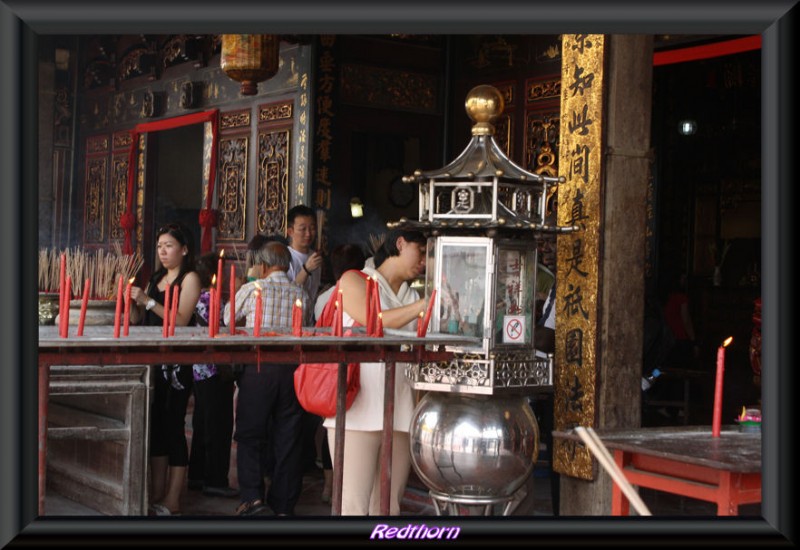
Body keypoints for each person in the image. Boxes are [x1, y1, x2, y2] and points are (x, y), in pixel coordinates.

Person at [323, 229, 428, 515]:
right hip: (357, 409)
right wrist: (422, 308)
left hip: (401, 409)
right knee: (353, 504)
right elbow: (374, 323)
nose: (425, 261)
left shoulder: (413, 294)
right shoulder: (354, 279)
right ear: (400, 243)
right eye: (421, 251)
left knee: (389, 506)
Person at [223, 240, 309, 516]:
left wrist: (243, 285)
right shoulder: (301, 292)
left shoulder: (253, 289)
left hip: (260, 368)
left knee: (250, 434)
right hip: (292, 370)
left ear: (262, 264)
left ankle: (253, 499)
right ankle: (284, 504)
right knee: (288, 437)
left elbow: (227, 319)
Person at [129, 222, 202, 516]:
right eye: (160, 246)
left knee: (174, 426)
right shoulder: (155, 277)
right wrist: (131, 301)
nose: (163, 251)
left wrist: (147, 301)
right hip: (152, 361)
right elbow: (137, 320)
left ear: (184, 250)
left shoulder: (190, 278)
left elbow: (181, 320)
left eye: (169, 245)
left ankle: (173, 498)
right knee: (156, 427)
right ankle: (157, 493)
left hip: (176, 364)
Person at [313, 243, 367, 505]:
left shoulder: (324, 297)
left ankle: (329, 485)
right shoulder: (367, 292)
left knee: (331, 428)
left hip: (329, 372)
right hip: (354, 375)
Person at [187, 251, 238, 499]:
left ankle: (196, 475)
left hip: (198, 369)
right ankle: (215, 478)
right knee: (218, 425)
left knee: (201, 422)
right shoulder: (211, 299)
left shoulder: (194, 298)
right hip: (215, 369)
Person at [286, 204, 322, 323]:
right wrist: (306, 269)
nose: (308, 234)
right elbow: (288, 295)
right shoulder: (285, 257)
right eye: (302, 229)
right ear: (290, 231)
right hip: (291, 321)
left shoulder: (315, 256)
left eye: (312, 228)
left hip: (309, 321)